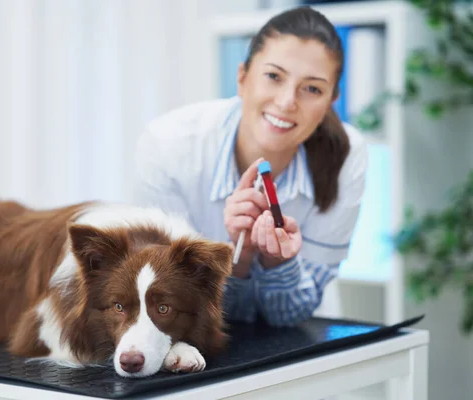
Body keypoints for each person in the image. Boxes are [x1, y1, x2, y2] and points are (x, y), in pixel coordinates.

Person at [132, 6, 368, 326]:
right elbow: (169, 307)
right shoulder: (168, 146)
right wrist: (237, 259)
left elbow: (291, 316)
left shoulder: (348, 157)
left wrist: (277, 263)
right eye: (273, 76)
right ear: (242, 78)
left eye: (312, 88)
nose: (287, 102)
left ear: (330, 102)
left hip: (302, 343)